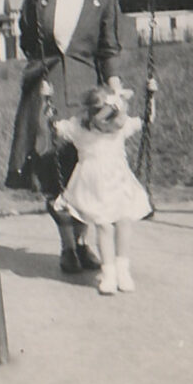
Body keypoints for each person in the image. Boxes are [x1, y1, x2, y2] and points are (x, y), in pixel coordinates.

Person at [5, 0, 129, 275]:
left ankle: (83, 242)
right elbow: (28, 38)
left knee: (85, 170)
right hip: (46, 87)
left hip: (87, 92)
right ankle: (66, 248)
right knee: (50, 169)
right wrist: (41, 69)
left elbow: (108, 50)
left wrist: (114, 92)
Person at [52, 85, 154, 294]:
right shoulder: (79, 129)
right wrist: (46, 102)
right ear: (92, 117)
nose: (115, 127)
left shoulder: (120, 126)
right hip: (93, 184)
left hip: (118, 181)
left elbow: (147, 119)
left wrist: (151, 95)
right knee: (104, 226)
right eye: (111, 121)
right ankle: (109, 274)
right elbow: (54, 127)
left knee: (124, 221)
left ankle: (122, 270)